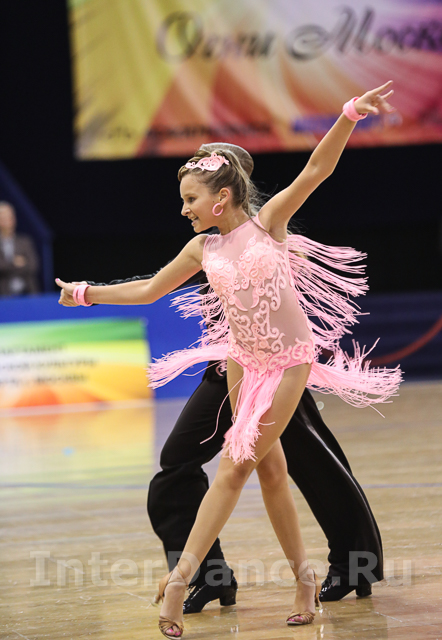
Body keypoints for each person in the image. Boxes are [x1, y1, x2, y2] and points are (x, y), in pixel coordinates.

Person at [56, 82, 401, 637]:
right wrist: (86, 292)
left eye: (191, 199)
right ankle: (304, 579)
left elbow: (316, 169)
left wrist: (348, 114)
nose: (184, 209)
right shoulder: (203, 248)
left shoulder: (269, 225)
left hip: (288, 363)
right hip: (242, 360)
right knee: (270, 472)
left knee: (235, 467)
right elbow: (149, 289)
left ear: (221, 197)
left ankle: (179, 581)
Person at [0, 201, 39, 296]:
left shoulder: (25, 242)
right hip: (3, 294)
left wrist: (8, 267)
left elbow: (33, 265)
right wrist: (14, 263)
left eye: (10, 217)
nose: (7, 221)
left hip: (27, 293)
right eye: (3, 218)